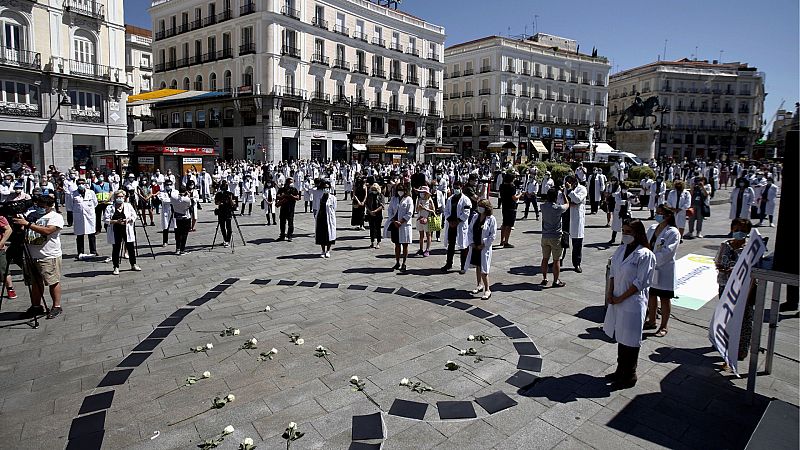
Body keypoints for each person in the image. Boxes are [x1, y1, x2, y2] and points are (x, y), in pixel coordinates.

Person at [603, 219, 656, 388]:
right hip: (617, 299)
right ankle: (620, 369)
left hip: (633, 302)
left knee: (631, 339)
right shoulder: (621, 249)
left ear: (638, 234)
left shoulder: (646, 255)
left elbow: (641, 282)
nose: (625, 235)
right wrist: (610, 293)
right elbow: (613, 272)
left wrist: (621, 297)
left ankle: (630, 374)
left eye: (628, 232)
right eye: (623, 231)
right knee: (621, 336)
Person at [12, 194, 64, 319]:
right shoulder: (32, 215)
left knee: (52, 281)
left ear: (50, 206)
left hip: (48, 255)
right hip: (32, 255)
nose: (39, 208)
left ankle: (56, 306)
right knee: (35, 282)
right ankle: (36, 306)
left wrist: (28, 224)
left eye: (43, 206)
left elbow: (47, 231)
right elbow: (24, 227)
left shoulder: (55, 217)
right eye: (38, 205)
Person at [715, 219, 754, 361]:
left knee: (744, 318)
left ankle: (741, 349)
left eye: (743, 230)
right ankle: (723, 342)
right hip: (725, 284)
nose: (739, 232)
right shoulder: (725, 245)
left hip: (742, 288)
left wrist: (736, 270)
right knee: (725, 315)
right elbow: (718, 260)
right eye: (737, 229)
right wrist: (720, 266)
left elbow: (753, 268)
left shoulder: (750, 248)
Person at [644, 205, 681, 337]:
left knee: (664, 298)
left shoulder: (673, 232)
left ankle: (664, 326)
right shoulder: (653, 228)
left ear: (668, 216)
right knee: (651, 295)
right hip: (651, 268)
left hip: (664, 269)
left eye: (660, 213)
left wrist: (651, 259)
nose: (658, 215)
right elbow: (645, 244)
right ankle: (652, 320)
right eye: (657, 213)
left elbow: (668, 252)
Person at [465, 199, 497, 300]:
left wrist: (484, 244)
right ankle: (479, 284)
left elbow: (493, 235)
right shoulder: (475, 217)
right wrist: (471, 242)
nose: (479, 208)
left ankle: (487, 289)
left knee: (484, 269)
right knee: (478, 266)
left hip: (484, 247)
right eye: (479, 206)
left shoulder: (491, 219)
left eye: (481, 206)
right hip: (475, 246)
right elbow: (470, 231)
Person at [104, 190, 141, 274]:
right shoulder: (110, 207)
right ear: (114, 198)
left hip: (126, 229)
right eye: (117, 197)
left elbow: (134, 215)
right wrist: (116, 221)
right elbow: (106, 219)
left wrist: (128, 220)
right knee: (116, 248)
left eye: (121, 197)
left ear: (124, 197)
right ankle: (116, 266)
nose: (119, 198)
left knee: (130, 247)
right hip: (115, 229)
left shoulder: (128, 206)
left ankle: (133, 264)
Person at [540, 188, 569, 287]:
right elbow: (567, 204)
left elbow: (544, 202)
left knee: (545, 258)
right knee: (557, 260)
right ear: (556, 197)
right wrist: (564, 195)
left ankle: (544, 278)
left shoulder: (543, 206)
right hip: (556, 236)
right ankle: (556, 280)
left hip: (545, 236)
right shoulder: (558, 208)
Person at [441, 180, 471, 273]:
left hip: (460, 225)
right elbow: (446, 211)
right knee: (451, 245)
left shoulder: (465, 199)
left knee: (463, 246)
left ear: (461, 187)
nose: (456, 189)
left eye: (458, 188)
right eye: (455, 188)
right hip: (451, 225)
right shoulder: (450, 199)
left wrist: (457, 221)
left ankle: (463, 266)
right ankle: (449, 264)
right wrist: (450, 221)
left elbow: (466, 213)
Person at [384, 183, 413, 272]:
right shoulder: (394, 199)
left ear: (405, 190)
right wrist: (393, 220)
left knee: (405, 244)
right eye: (398, 189)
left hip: (404, 225)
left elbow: (410, 213)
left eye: (402, 189)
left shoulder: (409, 199)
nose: (400, 191)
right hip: (395, 224)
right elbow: (390, 210)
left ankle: (404, 262)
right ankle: (397, 262)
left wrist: (401, 222)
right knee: (397, 244)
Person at [70, 178, 99, 258]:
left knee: (91, 234)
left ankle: (93, 251)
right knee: (80, 235)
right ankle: (80, 252)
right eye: (79, 184)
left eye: (83, 183)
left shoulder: (91, 192)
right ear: (77, 185)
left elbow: (95, 203)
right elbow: (70, 205)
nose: (81, 185)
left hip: (89, 216)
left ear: (85, 184)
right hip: (79, 216)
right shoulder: (73, 194)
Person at [564, 175, 587, 273]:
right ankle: (559, 260)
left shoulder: (582, 189)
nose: (568, 184)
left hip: (576, 218)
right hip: (566, 215)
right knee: (562, 241)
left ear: (574, 182)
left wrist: (569, 191)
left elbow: (577, 200)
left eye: (570, 182)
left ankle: (576, 263)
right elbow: (563, 200)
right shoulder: (565, 189)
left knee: (577, 243)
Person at [498, 172, 521, 248]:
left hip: (504, 205)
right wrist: (520, 194)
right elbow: (514, 198)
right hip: (511, 206)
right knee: (509, 225)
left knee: (504, 223)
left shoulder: (502, 186)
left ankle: (501, 240)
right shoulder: (512, 187)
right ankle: (506, 242)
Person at [314, 181, 337, 258]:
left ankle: (328, 250)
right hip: (321, 218)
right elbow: (317, 207)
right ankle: (323, 250)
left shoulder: (333, 198)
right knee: (321, 235)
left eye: (327, 188)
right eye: (324, 188)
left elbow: (334, 208)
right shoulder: (319, 197)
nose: (326, 189)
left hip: (329, 218)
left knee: (329, 235)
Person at [0, 214, 17, 299]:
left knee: (3, 269)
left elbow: (9, 229)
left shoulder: (1, 218)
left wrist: (2, 242)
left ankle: (10, 289)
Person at [172, 187, 193, 255]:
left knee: (178, 233)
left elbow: (173, 194)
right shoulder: (187, 200)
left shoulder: (174, 198)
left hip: (177, 217)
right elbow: (190, 204)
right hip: (185, 218)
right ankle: (182, 249)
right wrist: (188, 195)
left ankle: (177, 248)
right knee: (184, 234)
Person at [415, 186, 435, 257]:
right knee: (421, 235)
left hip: (427, 219)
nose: (422, 194)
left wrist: (424, 208)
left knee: (428, 235)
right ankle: (421, 249)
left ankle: (427, 249)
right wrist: (418, 208)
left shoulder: (429, 200)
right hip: (419, 219)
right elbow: (416, 210)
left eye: (423, 192)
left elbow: (433, 211)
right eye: (421, 192)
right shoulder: (419, 199)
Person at [214, 181, 235, 247]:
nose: (223, 188)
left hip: (228, 211)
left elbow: (233, 204)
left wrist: (230, 199)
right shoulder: (218, 194)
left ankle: (228, 240)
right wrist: (220, 202)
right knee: (222, 227)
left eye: (225, 186)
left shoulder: (230, 194)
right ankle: (225, 239)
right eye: (222, 186)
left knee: (228, 227)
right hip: (221, 211)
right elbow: (216, 202)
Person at [365, 183, 385, 249]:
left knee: (378, 228)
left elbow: (382, 206)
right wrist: (370, 211)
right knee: (371, 228)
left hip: (378, 214)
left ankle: (378, 242)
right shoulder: (370, 195)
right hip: (370, 214)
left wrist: (375, 211)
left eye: (375, 189)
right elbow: (366, 204)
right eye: (372, 189)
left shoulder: (381, 195)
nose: (374, 191)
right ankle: (372, 242)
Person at [157, 180, 176, 247]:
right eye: (167, 185)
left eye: (170, 184)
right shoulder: (161, 192)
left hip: (173, 209)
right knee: (165, 227)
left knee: (176, 226)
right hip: (165, 210)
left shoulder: (175, 191)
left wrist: (171, 200)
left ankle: (177, 240)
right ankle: (165, 241)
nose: (169, 186)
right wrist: (171, 200)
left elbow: (177, 199)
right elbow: (163, 200)